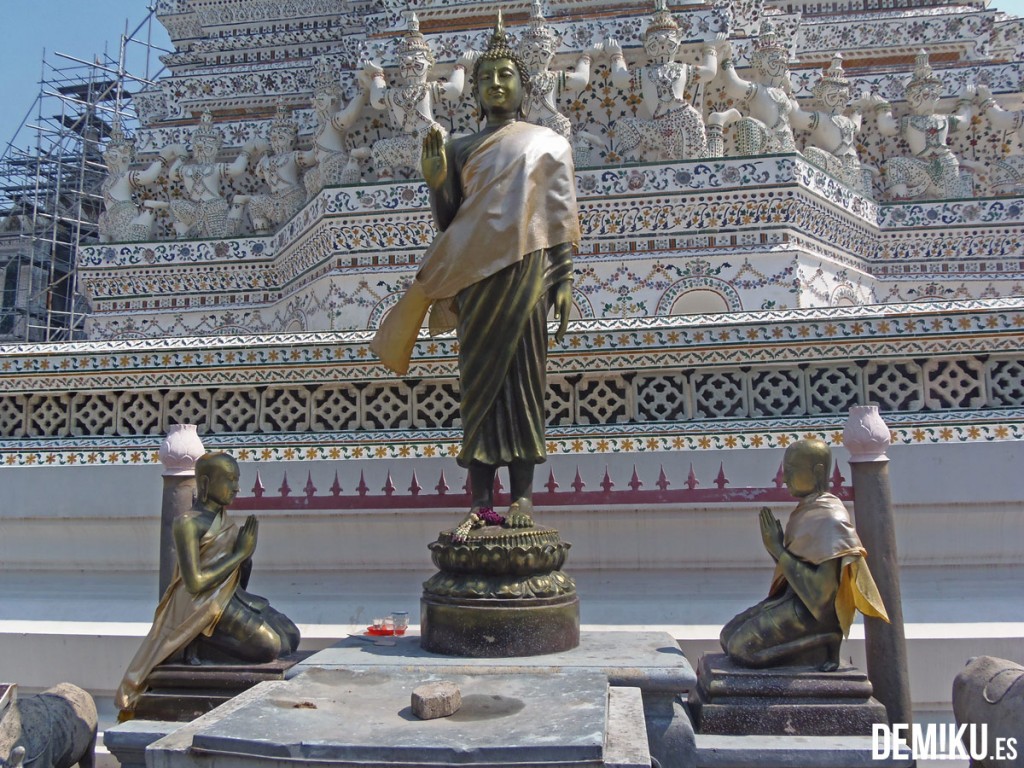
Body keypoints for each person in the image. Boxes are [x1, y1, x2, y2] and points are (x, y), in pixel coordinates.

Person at [370, 13, 580, 540]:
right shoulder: (461, 147)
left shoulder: (547, 143)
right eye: (487, 78)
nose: (496, 84)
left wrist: (563, 281)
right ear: (478, 92)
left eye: (505, 75)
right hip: (477, 281)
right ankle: (482, 500)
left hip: (527, 274)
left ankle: (524, 497)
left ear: (521, 85)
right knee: (480, 387)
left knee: (525, 385)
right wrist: (438, 182)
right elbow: (452, 224)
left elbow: (557, 217)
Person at [115, 453, 299, 715]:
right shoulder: (187, 523)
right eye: (230, 480)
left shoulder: (225, 522)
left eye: (237, 480)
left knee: (290, 636)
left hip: (227, 596)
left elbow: (237, 578)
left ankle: (204, 642)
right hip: (199, 605)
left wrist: (244, 560)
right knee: (269, 646)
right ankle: (196, 640)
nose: (236, 488)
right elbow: (195, 582)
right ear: (205, 482)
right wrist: (239, 554)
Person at [720, 438, 889, 671]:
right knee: (726, 636)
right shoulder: (807, 511)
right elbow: (796, 571)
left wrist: (778, 550)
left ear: (818, 471)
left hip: (813, 613)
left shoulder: (831, 519)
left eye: (790, 471)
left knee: (742, 649)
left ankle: (827, 637)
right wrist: (777, 549)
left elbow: (821, 596)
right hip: (793, 599)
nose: (784, 478)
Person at [362, 13, 476, 179]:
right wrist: (377, 76)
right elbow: (377, 100)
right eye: (406, 64)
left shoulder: (428, 88)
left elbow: (454, 90)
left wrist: (460, 67)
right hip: (406, 141)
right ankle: (385, 188)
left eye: (416, 61)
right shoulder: (395, 94)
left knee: (437, 164)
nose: (410, 64)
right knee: (380, 149)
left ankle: (439, 188)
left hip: (431, 137)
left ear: (429, 64)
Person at [605, 0, 721, 161]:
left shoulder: (682, 69)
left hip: (686, 121)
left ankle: (717, 126)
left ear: (678, 41)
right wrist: (615, 55)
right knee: (625, 125)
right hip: (658, 126)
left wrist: (710, 48)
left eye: (668, 43)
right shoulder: (644, 73)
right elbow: (620, 79)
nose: (661, 48)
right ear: (646, 44)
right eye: (654, 44)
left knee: (698, 162)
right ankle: (632, 172)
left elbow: (709, 72)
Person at [866, 50, 974, 200]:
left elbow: (963, 122)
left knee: (954, 202)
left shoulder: (943, 119)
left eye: (932, 96)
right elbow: (886, 127)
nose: (927, 99)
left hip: (945, 165)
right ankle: (901, 205)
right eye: (921, 96)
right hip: (919, 166)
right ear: (911, 101)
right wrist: (882, 108)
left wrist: (965, 101)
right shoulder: (909, 121)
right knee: (894, 164)